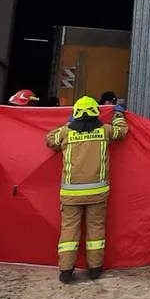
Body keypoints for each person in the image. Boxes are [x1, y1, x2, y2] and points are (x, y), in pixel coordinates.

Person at [45, 95, 128, 283]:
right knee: (96, 229)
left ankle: (66, 270)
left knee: (69, 231)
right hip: (97, 193)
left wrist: (68, 123)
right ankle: (95, 268)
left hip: (70, 194)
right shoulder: (105, 131)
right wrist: (118, 115)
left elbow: (50, 140)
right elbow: (122, 132)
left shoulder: (66, 133)